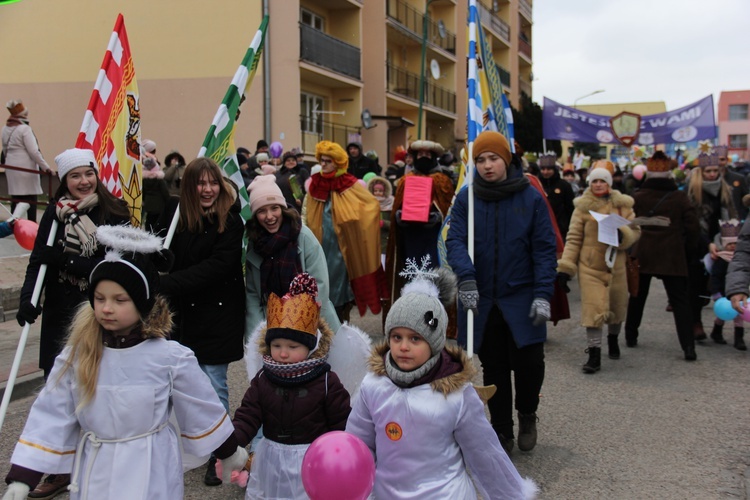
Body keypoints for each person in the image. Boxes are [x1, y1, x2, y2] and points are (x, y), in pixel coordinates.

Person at [1, 225, 244, 500]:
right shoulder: (79, 355)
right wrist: (24, 476)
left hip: (150, 467)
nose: (106, 308)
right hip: (96, 467)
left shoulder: (169, 358)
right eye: (99, 298)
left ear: (141, 303)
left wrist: (229, 452)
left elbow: (201, 407)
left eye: (120, 300)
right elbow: (53, 413)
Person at [345, 263, 538, 499]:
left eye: (415, 338)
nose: (403, 347)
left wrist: (510, 495)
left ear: (434, 342)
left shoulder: (457, 395)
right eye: (397, 337)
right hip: (388, 493)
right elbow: (357, 445)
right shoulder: (374, 385)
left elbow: (484, 453)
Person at [446, 131, 557, 454]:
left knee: (529, 363)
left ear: (506, 160)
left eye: (493, 158)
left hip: (522, 294)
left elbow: (544, 249)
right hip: (482, 296)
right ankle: (502, 431)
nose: (487, 166)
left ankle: (527, 413)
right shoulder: (467, 198)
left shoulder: (530, 198)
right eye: (480, 160)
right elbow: (455, 241)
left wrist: (542, 293)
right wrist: (465, 278)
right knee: (494, 366)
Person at [155, 157, 245, 486]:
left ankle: (220, 452)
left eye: (213, 183)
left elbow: (216, 267)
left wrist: (166, 282)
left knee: (213, 382)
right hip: (183, 315)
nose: (207, 189)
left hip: (218, 314)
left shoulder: (230, 221)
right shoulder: (177, 216)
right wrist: (159, 258)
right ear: (190, 187)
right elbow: (164, 250)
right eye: (200, 183)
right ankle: (188, 443)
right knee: (180, 384)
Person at [231, 273, 351, 499]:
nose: (283, 353)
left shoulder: (326, 381)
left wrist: (342, 456)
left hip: (312, 458)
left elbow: (342, 423)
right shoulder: (264, 378)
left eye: (292, 346)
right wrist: (232, 441)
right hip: (271, 458)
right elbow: (248, 414)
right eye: (276, 345)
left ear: (311, 346)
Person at [18, 148, 130, 379]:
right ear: (65, 180)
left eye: (89, 174)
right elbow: (38, 262)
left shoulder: (115, 211)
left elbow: (115, 268)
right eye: (75, 176)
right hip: (59, 314)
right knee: (58, 384)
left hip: (98, 312)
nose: (84, 181)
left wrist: (65, 260)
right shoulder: (54, 212)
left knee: (95, 384)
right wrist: (28, 299)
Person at [557, 161, 641, 372]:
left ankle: (613, 339)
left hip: (616, 265)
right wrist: (565, 269)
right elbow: (574, 238)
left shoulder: (623, 205)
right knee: (592, 310)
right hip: (590, 266)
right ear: (589, 183)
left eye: (602, 180)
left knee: (617, 307)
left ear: (609, 183)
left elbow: (636, 230)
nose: (598, 184)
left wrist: (624, 234)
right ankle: (594, 354)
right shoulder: (582, 207)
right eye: (594, 181)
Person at [624, 151, 700, 359]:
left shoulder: (637, 197)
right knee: (680, 301)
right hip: (672, 254)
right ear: (669, 175)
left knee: (637, 295)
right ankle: (688, 347)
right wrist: (688, 251)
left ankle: (631, 335)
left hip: (643, 251)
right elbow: (693, 227)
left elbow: (628, 224)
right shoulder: (679, 197)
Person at [244, 175, 340, 337]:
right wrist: (256, 336)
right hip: (273, 326)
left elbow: (320, 287)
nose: (269, 216)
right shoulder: (254, 244)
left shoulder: (304, 237)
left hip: (310, 322)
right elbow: (253, 295)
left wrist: (300, 325)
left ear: (282, 208)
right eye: (261, 211)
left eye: (274, 208)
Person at [303, 140, 387, 322]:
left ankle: (340, 321)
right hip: (320, 245)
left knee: (339, 288)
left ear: (337, 162)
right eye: (321, 160)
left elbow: (370, 206)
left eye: (327, 161)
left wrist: (355, 226)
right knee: (319, 282)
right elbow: (308, 214)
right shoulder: (315, 184)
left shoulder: (349, 183)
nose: (323, 164)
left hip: (342, 248)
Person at [385, 140, 454, 307]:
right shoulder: (405, 180)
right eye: (420, 154)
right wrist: (400, 217)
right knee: (411, 275)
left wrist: (438, 217)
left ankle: (434, 312)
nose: (424, 157)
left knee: (433, 276)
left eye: (427, 154)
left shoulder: (442, 181)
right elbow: (397, 208)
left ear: (434, 157)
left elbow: (449, 210)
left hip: (433, 239)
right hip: (410, 239)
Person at [686, 151, 738, 340]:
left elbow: (731, 217)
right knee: (696, 285)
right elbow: (692, 223)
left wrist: (728, 243)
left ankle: (718, 326)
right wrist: (708, 244)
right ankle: (696, 322)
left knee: (715, 285)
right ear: (702, 171)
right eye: (708, 170)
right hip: (697, 244)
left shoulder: (725, 190)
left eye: (715, 170)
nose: (712, 174)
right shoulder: (693, 191)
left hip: (721, 243)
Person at [1, 99, 54, 223]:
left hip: (11, 168)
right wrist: (46, 167)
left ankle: (14, 224)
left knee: (16, 197)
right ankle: (31, 224)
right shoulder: (24, 129)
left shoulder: (5, 128)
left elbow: (4, 149)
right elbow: (34, 152)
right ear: (24, 115)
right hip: (26, 168)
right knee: (30, 198)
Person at [708, 219, 746, 349]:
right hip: (724, 294)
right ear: (724, 244)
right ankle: (716, 332)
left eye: (736, 243)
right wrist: (715, 292)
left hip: (738, 292)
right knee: (722, 315)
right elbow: (715, 277)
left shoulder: (741, 258)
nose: (733, 246)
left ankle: (739, 339)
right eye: (730, 244)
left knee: (739, 316)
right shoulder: (721, 259)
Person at [538, 154, 574, 239]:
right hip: (541, 229)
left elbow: (570, 209)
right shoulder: (537, 185)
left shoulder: (564, 186)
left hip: (560, 230)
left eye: (549, 169)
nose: (545, 172)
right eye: (543, 169)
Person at [717, 145, 749, 220]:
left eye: (722, 159)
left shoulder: (738, 178)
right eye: (716, 160)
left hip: (735, 220)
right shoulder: (708, 181)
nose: (719, 162)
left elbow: (745, 200)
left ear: (727, 160)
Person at [141, 149, 170, 231]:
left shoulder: (144, 180)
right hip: (159, 204)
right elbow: (165, 192)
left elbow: (143, 192)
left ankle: (148, 232)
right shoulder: (159, 180)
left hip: (149, 204)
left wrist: (144, 201)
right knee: (158, 221)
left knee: (149, 220)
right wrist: (168, 201)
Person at [366, 175, 394, 255]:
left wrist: (383, 223)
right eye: (376, 190)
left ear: (385, 191)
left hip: (384, 239)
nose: (378, 193)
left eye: (380, 191)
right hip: (371, 239)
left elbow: (393, 224)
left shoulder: (390, 204)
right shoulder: (368, 203)